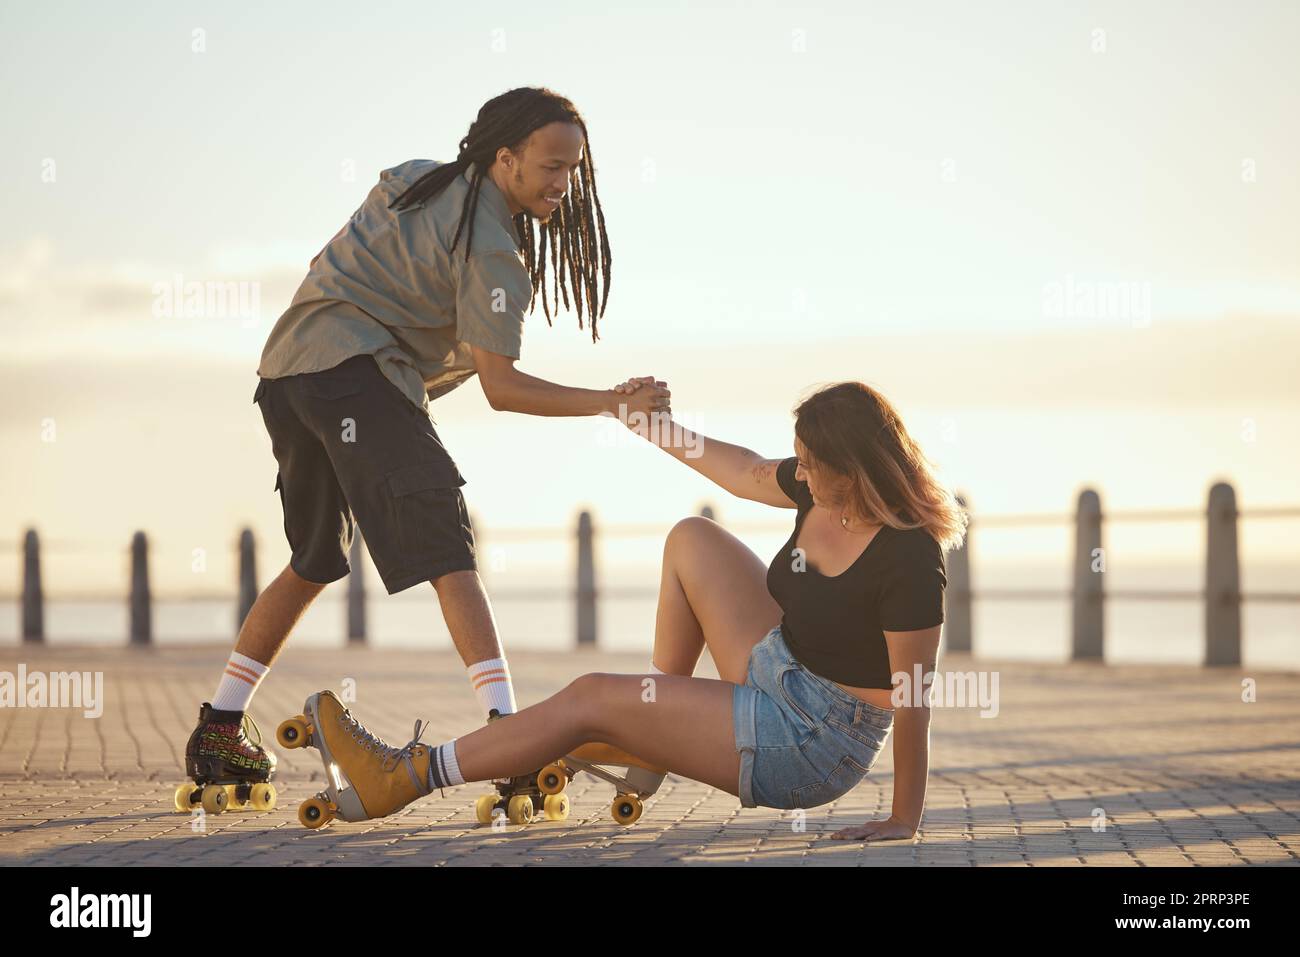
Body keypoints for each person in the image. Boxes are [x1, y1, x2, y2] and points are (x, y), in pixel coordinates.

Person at [179, 86, 669, 804]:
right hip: (356, 377)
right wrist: (609, 403)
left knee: (315, 559)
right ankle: (510, 733)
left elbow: (332, 255)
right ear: (505, 159)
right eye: (551, 167)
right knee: (449, 547)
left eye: (573, 170)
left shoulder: (415, 176)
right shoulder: (493, 247)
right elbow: (502, 388)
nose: (563, 184)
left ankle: (220, 727)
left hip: (288, 372)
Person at [310, 381, 969, 840]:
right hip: (778, 665)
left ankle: (404, 776)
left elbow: (913, 698)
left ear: (852, 470)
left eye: (809, 462)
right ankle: (651, 738)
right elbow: (739, 467)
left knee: (590, 697)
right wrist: (647, 423)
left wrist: (902, 817)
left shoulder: (908, 558)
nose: (796, 470)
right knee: (692, 538)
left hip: (811, 740)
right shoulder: (821, 491)